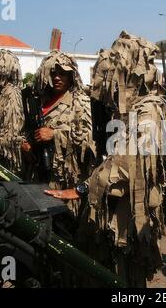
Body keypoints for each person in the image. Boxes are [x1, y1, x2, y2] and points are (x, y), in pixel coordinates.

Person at [46, 31, 166, 287]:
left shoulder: (148, 110)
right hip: (109, 215)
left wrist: (81, 188)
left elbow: (128, 168)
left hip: (128, 222)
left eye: (115, 71)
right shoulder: (122, 111)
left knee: (125, 278)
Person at [23, 51, 95, 216]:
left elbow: (88, 140)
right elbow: (25, 129)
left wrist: (55, 134)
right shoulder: (38, 102)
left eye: (63, 73)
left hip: (65, 180)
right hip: (38, 175)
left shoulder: (80, 102)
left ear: (71, 76)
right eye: (53, 73)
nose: (57, 78)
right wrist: (25, 144)